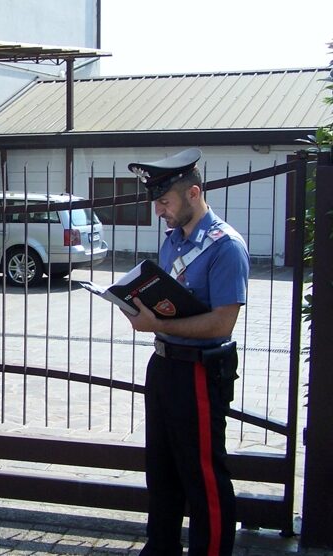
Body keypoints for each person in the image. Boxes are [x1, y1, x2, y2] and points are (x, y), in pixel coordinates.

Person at [124, 148, 249, 556]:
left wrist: (157, 324)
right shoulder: (173, 241)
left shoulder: (225, 247)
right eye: (157, 202)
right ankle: (161, 548)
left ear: (193, 193)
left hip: (198, 373)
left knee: (203, 477)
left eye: (165, 202)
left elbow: (221, 323)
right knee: (161, 471)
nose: (159, 210)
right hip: (163, 366)